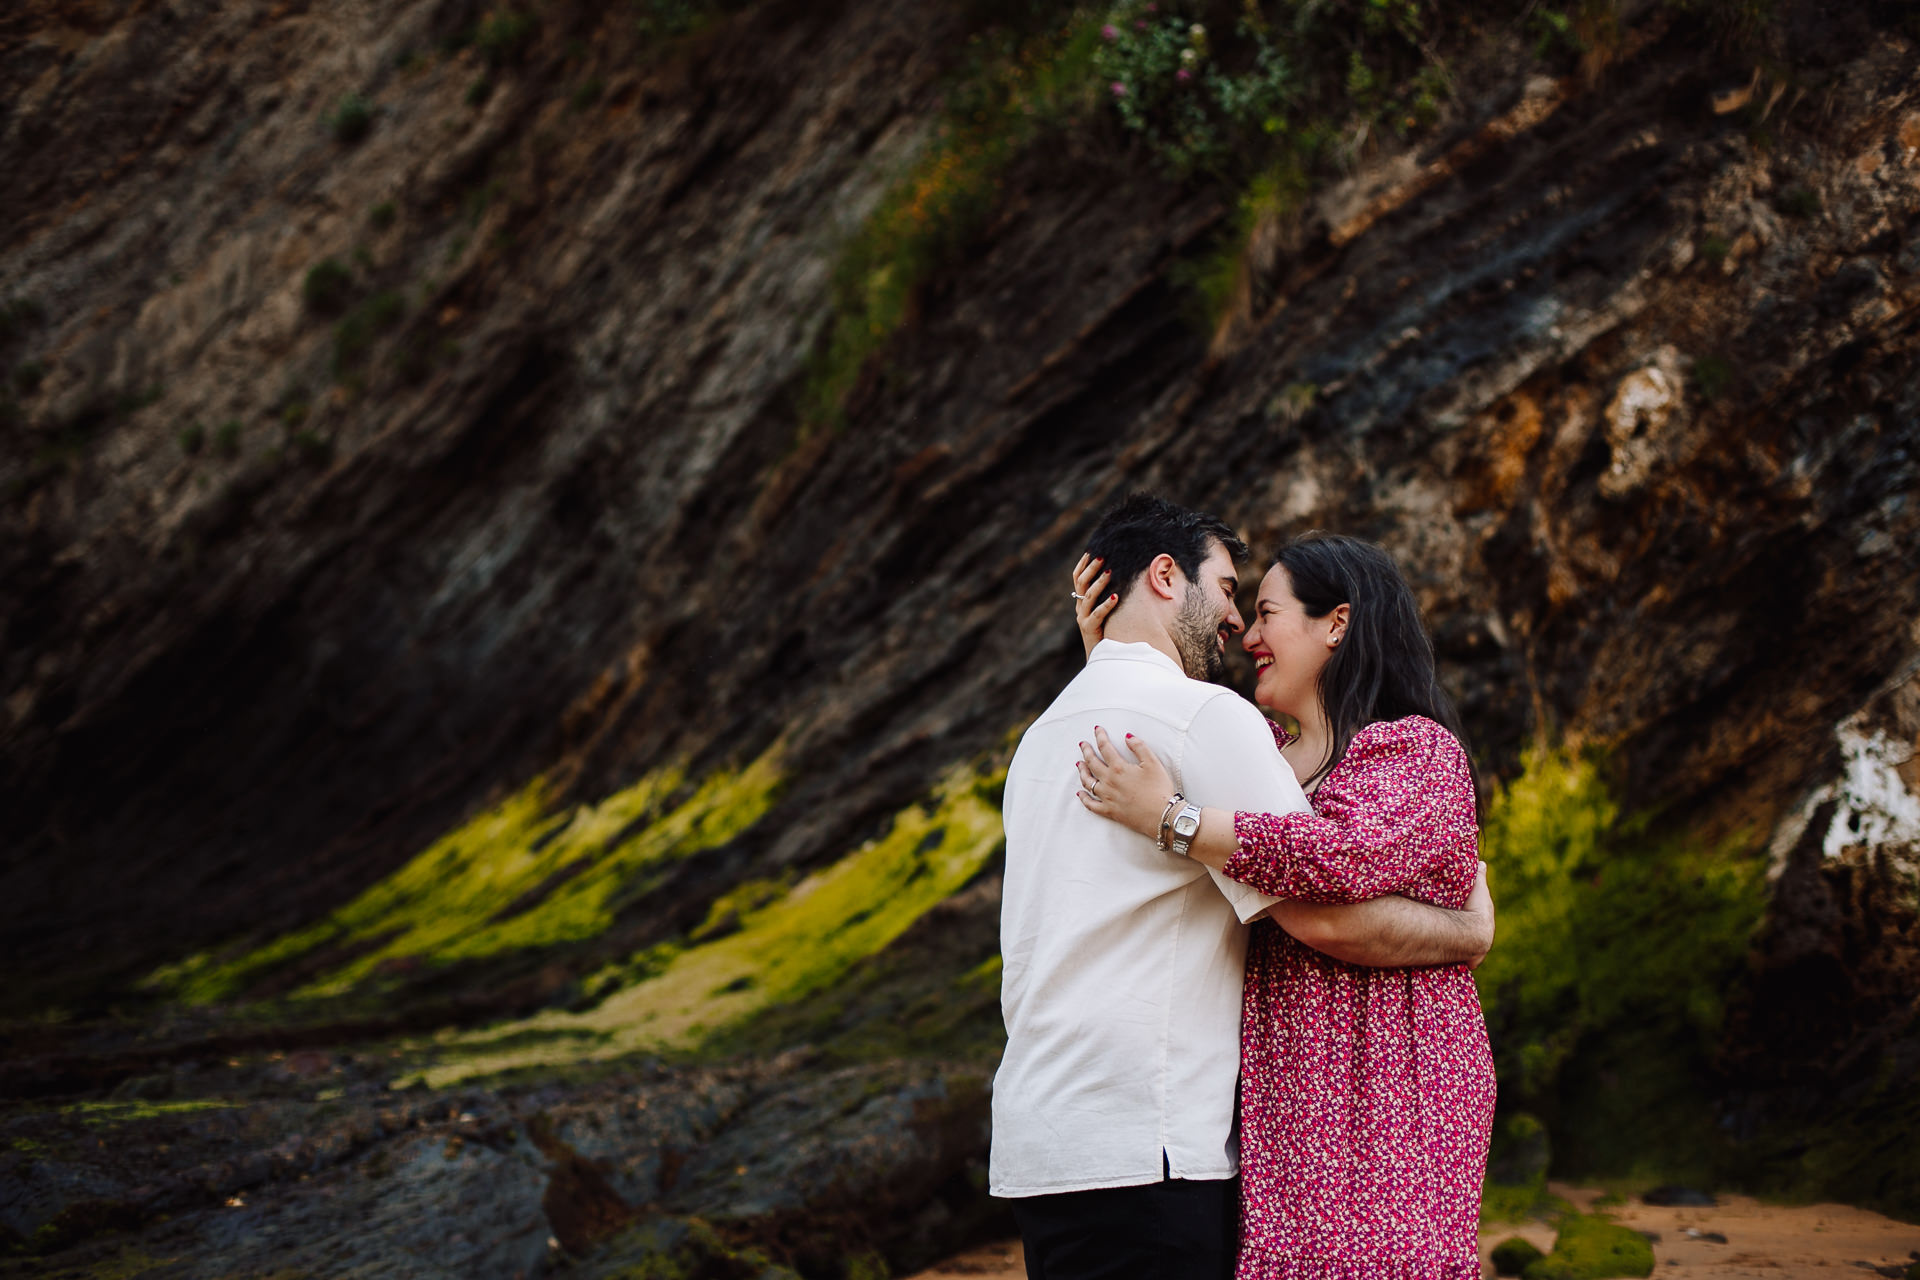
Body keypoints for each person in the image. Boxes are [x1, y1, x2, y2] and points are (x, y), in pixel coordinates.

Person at [992, 495, 1494, 1280]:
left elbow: (1329, 866)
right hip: (1166, 1141)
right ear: (1167, 577)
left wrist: (1117, 676)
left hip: (1059, 1139)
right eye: (1232, 593)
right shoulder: (1211, 724)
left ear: (1339, 624)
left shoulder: (1045, 736)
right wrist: (1469, 933)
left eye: (1261, 608)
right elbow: (1324, 913)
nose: (1240, 628)